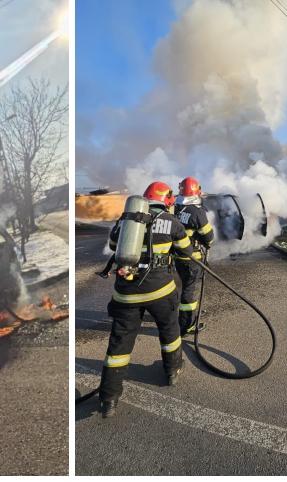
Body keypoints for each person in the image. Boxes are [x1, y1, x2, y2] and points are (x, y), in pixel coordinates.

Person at [98, 182, 194, 418]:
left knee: (119, 343)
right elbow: (186, 252)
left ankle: (109, 397)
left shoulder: (126, 219)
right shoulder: (171, 222)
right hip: (160, 291)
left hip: (125, 293)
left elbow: (112, 246)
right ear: (166, 201)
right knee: (170, 331)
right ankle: (172, 371)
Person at [173, 177, 215, 336]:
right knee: (190, 291)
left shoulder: (175, 208)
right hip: (193, 259)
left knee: (186, 287)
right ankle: (187, 325)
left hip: (178, 257)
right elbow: (208, 236)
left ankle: (191, 313)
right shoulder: (197, 211)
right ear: (196, 192)